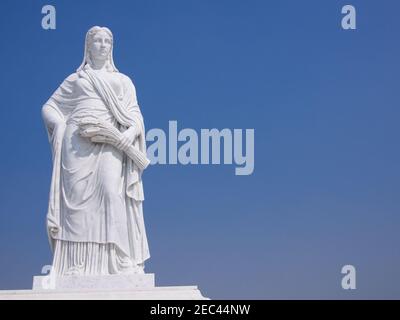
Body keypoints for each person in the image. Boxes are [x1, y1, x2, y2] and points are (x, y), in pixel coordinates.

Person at [41, 26, 150, 276]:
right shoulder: (75, 80)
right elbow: (49, 107)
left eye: (107, 41)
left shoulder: (123, 81)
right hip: (76, 143)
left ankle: (120, 257)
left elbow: (136, 117)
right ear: (88, 46)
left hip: (110, 142)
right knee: (77, 201)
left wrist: (126, 136)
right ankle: (75, 264)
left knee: (112, 193)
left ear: (111, 48)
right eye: (97, 41)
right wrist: (59, 123)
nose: (102, 45)